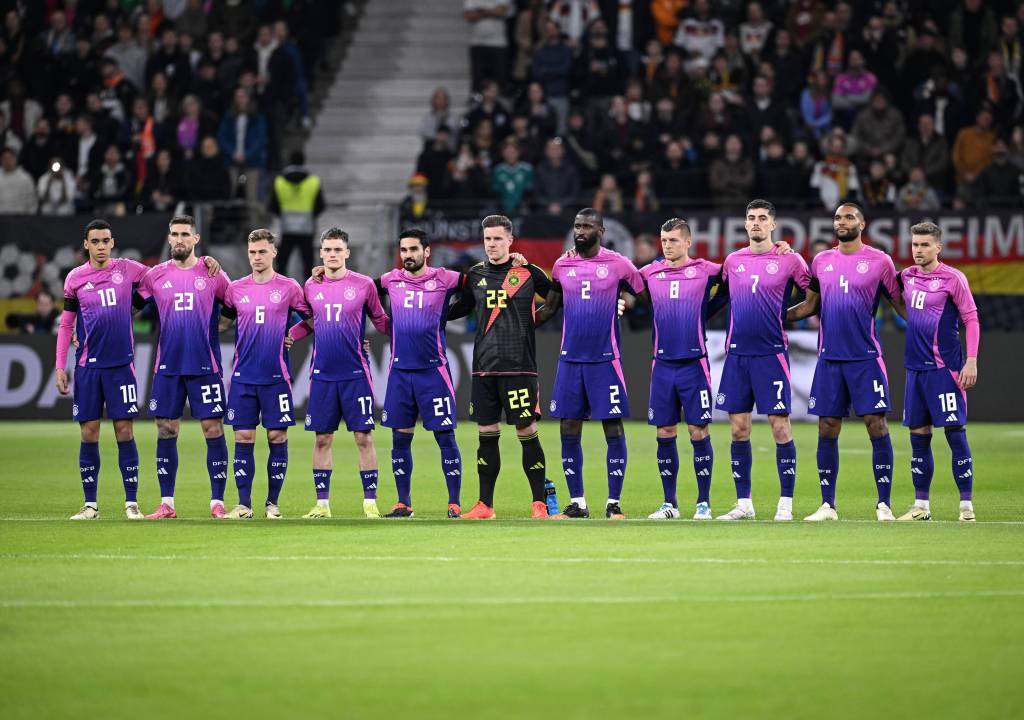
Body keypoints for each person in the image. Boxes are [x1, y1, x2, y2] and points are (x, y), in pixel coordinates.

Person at [55, 219, 220, 520]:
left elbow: (174, 272)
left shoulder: (132, 269)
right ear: (86, 244)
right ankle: (91, 504)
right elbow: (68, 321)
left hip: (123, 366)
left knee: (124, 430)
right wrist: (60, 364)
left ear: (112, 242)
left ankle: (132, 503)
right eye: (95, 241)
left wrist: (208, 260)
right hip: (88, 366)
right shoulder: (75, 279)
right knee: (90, 432)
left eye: (106, 241)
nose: (101, 246)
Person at [788, 203, 906, 522]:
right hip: (829, 360)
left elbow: (900, 304)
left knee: (876, 425)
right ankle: (828, 505)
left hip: (866, 359)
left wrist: (932, 330)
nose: (842, 221)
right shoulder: (822, 260)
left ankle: (884, 504)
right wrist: (773, 318)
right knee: (827, 428)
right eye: (838, 217)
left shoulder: (880, 261)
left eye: (849, 217)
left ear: (862, 224)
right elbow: (809, 306)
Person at [535, 209, 644, 519]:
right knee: (569, 427)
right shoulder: (561, 265)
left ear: (601, 230)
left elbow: (645, 292)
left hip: (605, 361)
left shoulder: (618, 264)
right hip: (570, 361)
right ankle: (578, 503)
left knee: (612, 425)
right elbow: (549, 309)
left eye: (587, 226)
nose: (580, 230)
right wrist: (516, 322)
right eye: (577, 225)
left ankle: (613, 504)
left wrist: (625, 304)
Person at [447, 215, 555, 519]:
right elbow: (461, 308)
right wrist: (430, 314)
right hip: (483, 368)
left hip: (519, 367)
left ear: (510, 240)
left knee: (526, 429)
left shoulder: (528, 272)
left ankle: (539, 504)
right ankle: (485, 505)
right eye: (487, 239)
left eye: (497, 239)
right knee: (486, 433)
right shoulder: (475, 274)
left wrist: (531, 323)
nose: (491, 244)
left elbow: (556, 299)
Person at [713, 200, 810, 522]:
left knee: (780, 427)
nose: (756, 223)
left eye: (762, 219)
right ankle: (744, 504)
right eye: (751, 218)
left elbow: (816, 293)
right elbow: (718, 294)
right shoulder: (733, 260)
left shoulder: (789, 259)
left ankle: (786, 503)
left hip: (771, 355)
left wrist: (789, 316)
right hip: (737, 356)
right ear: (745, 224)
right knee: (738, 429)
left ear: (773, 224)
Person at [286, 228, 390, 519]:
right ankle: (322, 504)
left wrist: (405, 333)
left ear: (347, 252)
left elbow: (380, 320)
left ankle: (370, 503)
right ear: (321, 253)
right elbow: (309, 321)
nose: (332, 254)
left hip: (355, 373)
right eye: (327, 250)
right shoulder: (311, 285)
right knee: (322, 439)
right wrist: (292, 334)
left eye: (337, 249)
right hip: (322, 374)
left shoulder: (364, 284)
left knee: (364, 437)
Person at [136, 215, 232, 519]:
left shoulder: (213, 273)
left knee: (212, 428)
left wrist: (217, 329)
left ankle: (217, 502)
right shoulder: (156, 275)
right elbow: (130, 309)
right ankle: (167, 504)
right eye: (174, 234)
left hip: (205, 364)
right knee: (166, 430)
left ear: (196, 238)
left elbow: (232, 305)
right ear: (169, 239)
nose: (179, 239)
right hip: (168, 366)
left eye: (185, 234)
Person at [219, 229, 312, 520]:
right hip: (244, 377)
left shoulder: (289, 287)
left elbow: (313, 318)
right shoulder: (235, 289)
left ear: (274, 253)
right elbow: (221, 324)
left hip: (276, 377)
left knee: (276, 437)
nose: (257, 257)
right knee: (243, 437)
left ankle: (272, 504)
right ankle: (244, 504)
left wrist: (293, 334)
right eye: (252, 252)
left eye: (262, 252)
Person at [377, 229, 469, 518]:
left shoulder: (445, 278)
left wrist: (449, 314)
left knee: (445, 436)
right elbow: (362, 292)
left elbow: (476, 287)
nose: (408, 255)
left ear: (426, 251)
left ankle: (454, 502)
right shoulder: (390, 280)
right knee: (400, 439)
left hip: (433, 372)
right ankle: (403, 502)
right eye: (404, 250)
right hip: (400, 373)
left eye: (414, 249)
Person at [897, 222, 980, 522]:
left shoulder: (953, 278)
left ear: (938, 247)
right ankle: (921, 506)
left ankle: (966, 507)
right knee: (918, 438)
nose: (918, 250)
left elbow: (971, 318)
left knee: (955, 434)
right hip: (915, 371)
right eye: (915, 245)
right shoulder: (906, 276)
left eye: (924, 245)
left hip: (945, 370)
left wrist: (970, 360)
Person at [638, 219, 720, 520]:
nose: (667, 245)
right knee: (664, 430)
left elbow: (735, 279)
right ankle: (670, 503)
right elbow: (619, 282)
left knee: (698, 430)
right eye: (664, 240)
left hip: (694, 364)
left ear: (688, 242)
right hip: (662, 365)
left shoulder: (706, 270)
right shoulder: (649, 272)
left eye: (673, 240)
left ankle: (703, 503)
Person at [268, 150, 325, 280]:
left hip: (287, 228)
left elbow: (273, 206)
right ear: (303, 162)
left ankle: (280, 293)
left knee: (282, 264)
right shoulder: (313, 181)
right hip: (306, 228)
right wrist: (310, 216)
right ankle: (309, 293)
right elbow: (320, 205)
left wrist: (284, 215)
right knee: (308, 264)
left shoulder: (279, 181)